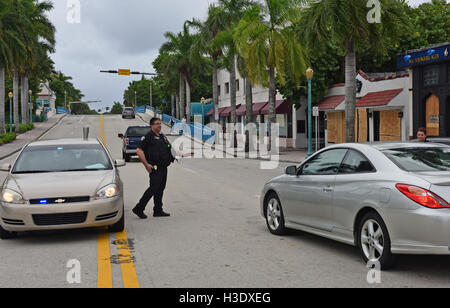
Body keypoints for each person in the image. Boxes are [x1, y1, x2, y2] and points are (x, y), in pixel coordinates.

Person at [132, 118, 176, 219]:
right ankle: (139, 208)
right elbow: (139, 151)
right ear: (151, 126)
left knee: (160, 189)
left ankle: (158, 210)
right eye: (157, 124)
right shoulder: (148, 137)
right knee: (153, 188)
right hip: (155, 168)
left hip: (164, 166)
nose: (159, 126)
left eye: (160, 124)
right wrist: (146, 164)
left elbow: (169, 148)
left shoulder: (162, 136)